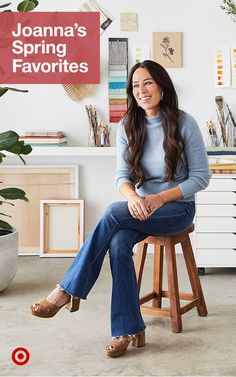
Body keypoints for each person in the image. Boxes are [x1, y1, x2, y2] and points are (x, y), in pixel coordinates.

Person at [31, 60, 211, 357]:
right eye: (136, 85)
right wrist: (133, 198)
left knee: (113, 212)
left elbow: (201, 178)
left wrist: (159, 199)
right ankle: (127, 330)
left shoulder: (184, 122)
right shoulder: (129, 124)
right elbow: (122, 177)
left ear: (163, 88)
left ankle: (66, 291)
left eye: (148, 83)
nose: (141, 90)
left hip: (176, 209)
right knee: (118, 241)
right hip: (139, 209)